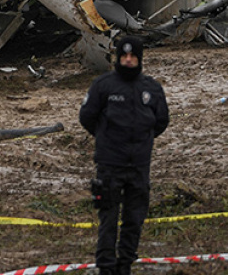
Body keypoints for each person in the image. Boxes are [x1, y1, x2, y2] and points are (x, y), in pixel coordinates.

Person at [79, 35, 169, 275]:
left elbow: (161, 122)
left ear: (139, 59)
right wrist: (107, 139)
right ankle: (106, 267)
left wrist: (141, 142)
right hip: (110, 164)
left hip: (139, 165)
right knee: (108, 218)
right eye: (124, 56)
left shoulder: (152, 88)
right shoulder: (103, 85)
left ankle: (125, 264)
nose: (128, 60)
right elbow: (87, 117)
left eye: (133, 56)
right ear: (117, 57)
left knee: (134, 218)